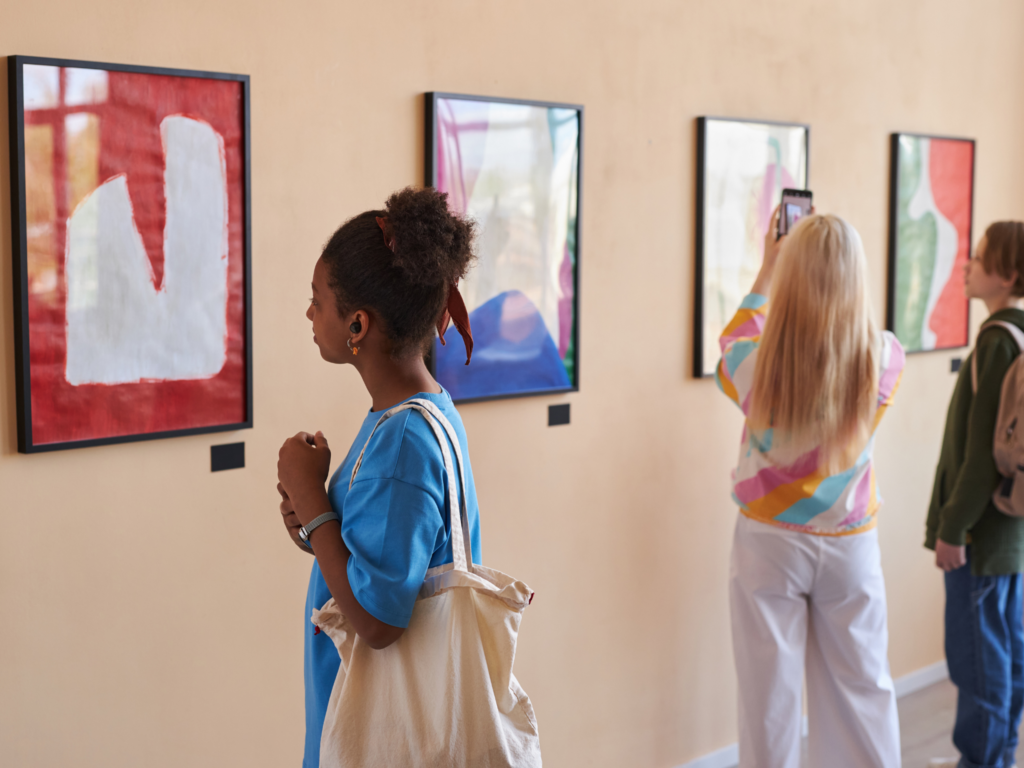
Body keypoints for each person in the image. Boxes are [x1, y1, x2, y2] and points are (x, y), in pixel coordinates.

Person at [275, 187, 480, 768]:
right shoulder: (419, 413)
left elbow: (378, 619)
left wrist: (314, 504)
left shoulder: (403, 441)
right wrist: (316, 521)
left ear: (357, 324)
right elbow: (377, 555)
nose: (310, 314)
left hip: (383, 733)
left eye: (318, 301)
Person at [716, 208, 905, 768]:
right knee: (864, 693)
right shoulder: (886, 358)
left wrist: (768, 268)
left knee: (767, 702)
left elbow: (733, 338)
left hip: (768, 543)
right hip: (850, 542)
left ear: (791, 275)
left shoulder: (751, 362)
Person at [926, 222, 1024, 768]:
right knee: (1007, 655)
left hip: (980, 535)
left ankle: (980, 762)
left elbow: (980, 457)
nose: (967, 265)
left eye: (980, 258)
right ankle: (1000, 758)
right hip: (1012, 532)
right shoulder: (1022, 333)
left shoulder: (995, 341)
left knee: (978, 664)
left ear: (1007, 274)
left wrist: (950, 529)